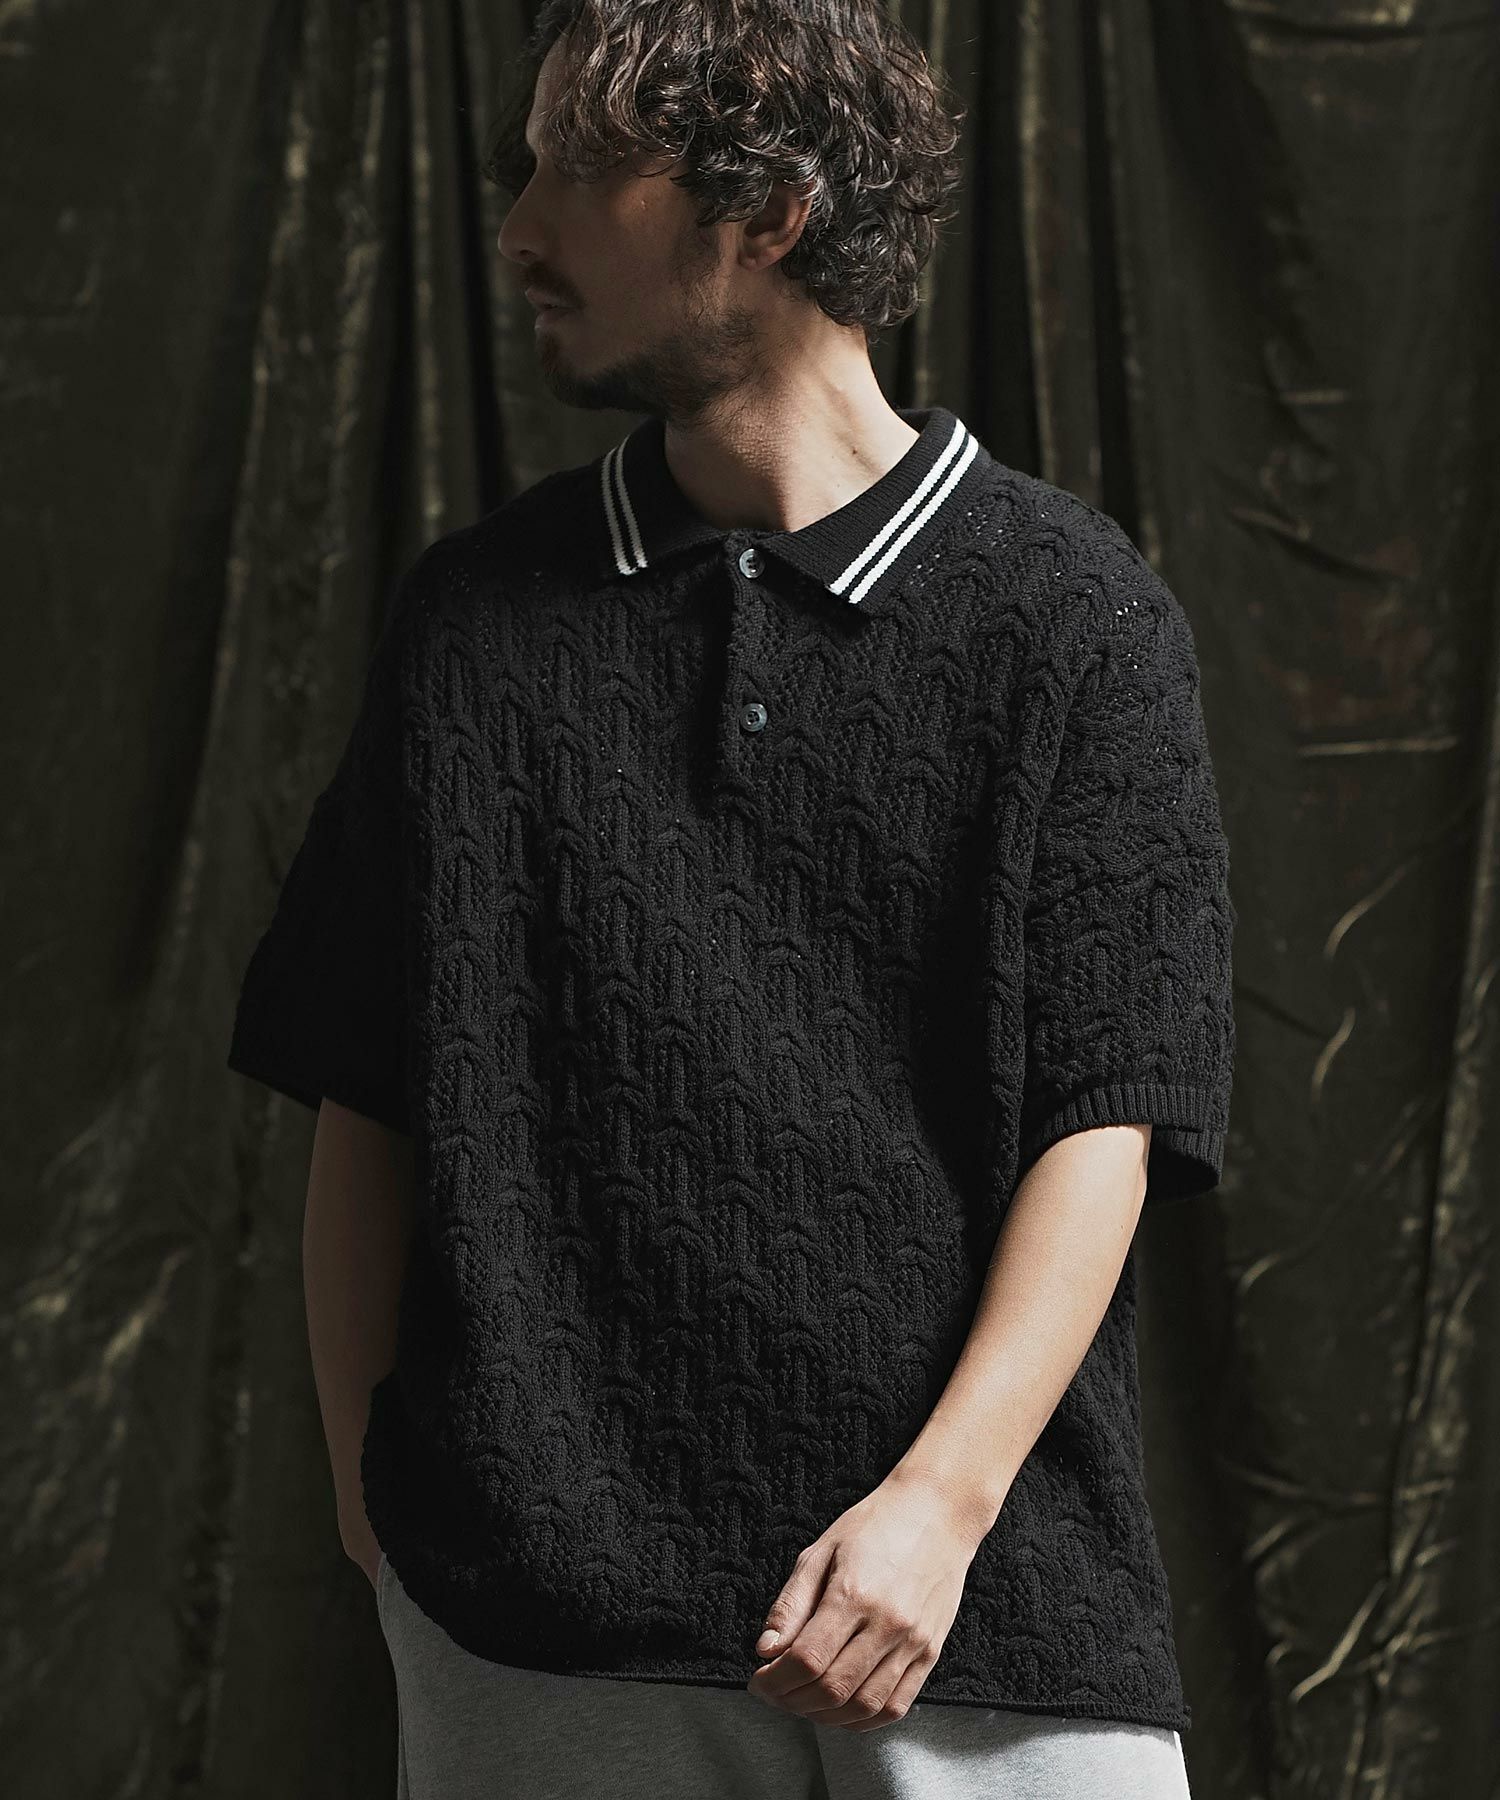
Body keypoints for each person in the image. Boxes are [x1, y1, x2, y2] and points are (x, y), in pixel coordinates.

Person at [226, 2, 1236, 1794]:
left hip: (989, 1616)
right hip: (536, 1640)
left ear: (769, 205)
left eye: (577, 169)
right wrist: (381, 1530)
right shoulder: (473, 627)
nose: (518, 228)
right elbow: (360, 1090)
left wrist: (940, 1508)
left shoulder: (1073, 617)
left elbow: (1113, 1118)